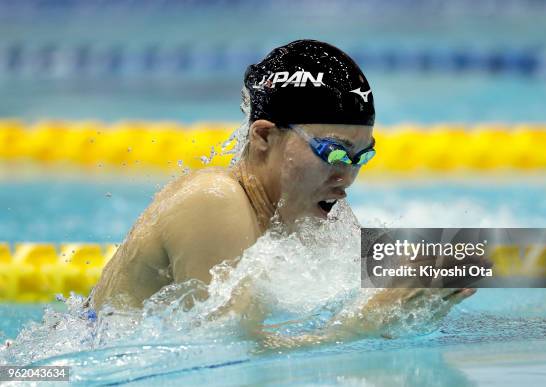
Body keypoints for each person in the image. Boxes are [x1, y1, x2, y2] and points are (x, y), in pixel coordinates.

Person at [90, 39, 474, 345]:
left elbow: (375, 282)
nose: (347, 176)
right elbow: (227, 358)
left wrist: (415, 297)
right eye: (332, 152)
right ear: (263, 137)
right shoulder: (212, 201)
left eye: (361, 156)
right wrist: (361, 326)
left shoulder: (312, 210)